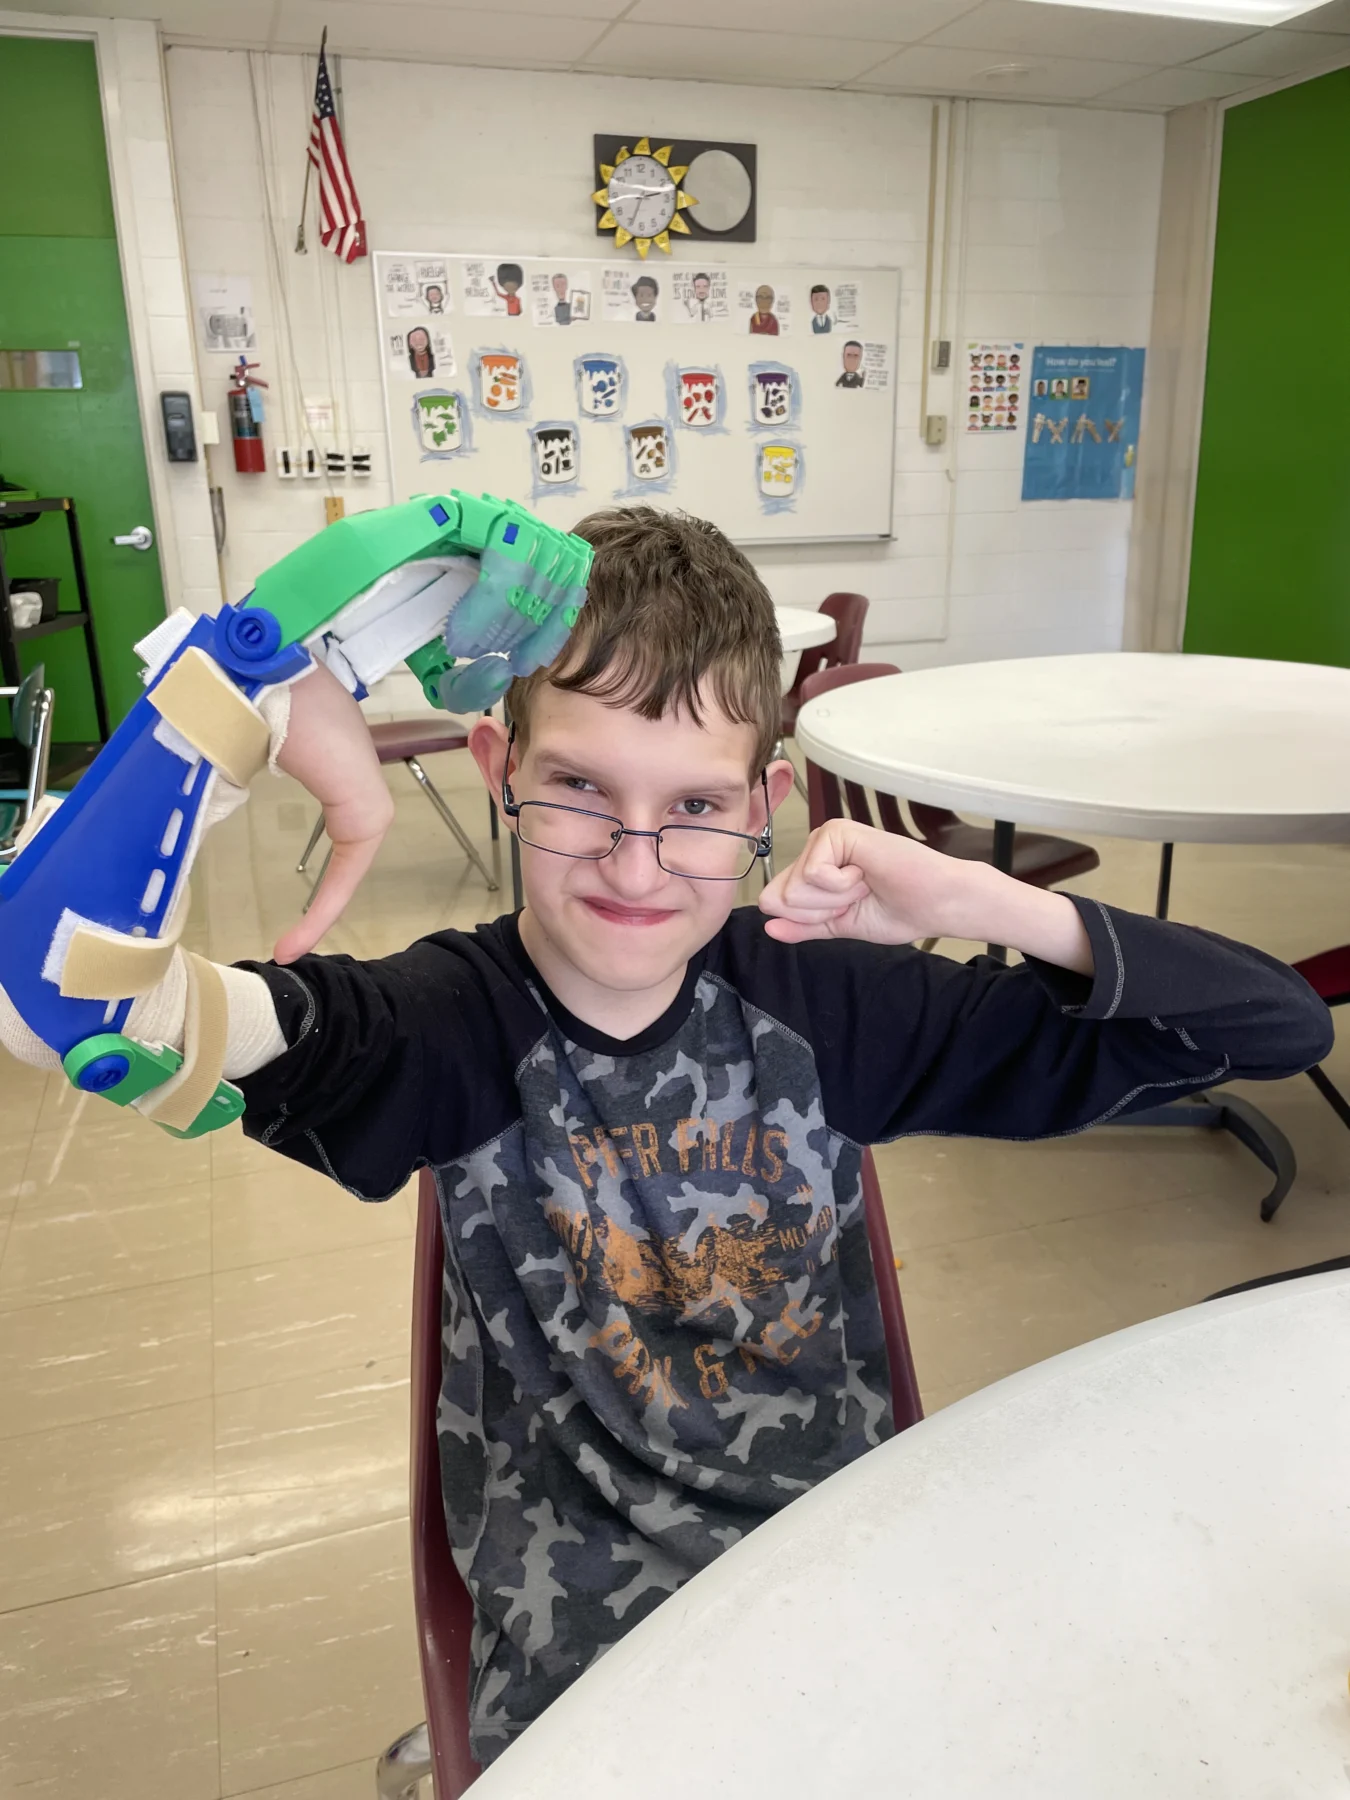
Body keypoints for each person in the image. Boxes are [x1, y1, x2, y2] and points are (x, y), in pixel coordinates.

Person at [0, 509, 1330, 1766]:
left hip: (855, 1562)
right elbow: (50, 995)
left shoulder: (830, 1004)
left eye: (694, 807)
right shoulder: (440, 1027)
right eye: (579, 788)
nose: (636, 867)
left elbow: (1275, 1027)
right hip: (580, 1623)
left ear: (764, 806)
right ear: (496, 768)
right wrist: (253, 683)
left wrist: (985, 898)